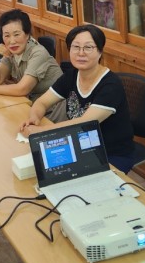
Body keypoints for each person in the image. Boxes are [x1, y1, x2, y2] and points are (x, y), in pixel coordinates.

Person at [20, 24, 137, 173]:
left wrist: (40, 131)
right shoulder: (72, 75)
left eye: (88, 47)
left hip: (109, 153)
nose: (81, 53)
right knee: (40, 169)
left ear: (100, 51)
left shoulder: (111, 85)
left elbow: (84, 123)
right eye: (75, 47)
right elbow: (42, 102)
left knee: (58, 175)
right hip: (78, 145)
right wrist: (34, 119)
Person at [0, 9, 63, 105]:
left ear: (27, 34)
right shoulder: (12, 51)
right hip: (32, 104)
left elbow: (22, 89)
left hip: (53, 109)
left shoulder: (38, 53)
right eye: (7, 36)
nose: (12, 41)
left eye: (16, 34)